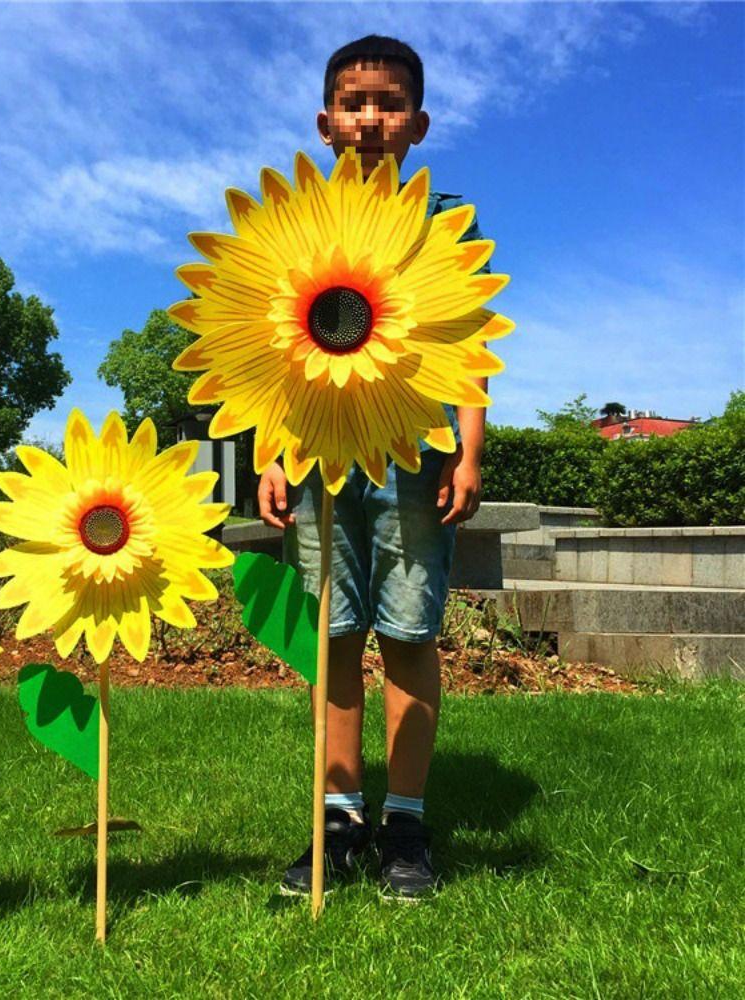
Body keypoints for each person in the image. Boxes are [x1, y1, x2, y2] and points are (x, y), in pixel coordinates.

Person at [258, 34, 494, 902]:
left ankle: (405, 823)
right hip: (322, 459)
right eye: (355, 103)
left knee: (407, 634)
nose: (371, 118)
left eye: (389, 103)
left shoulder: (445, 226)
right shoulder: (294, 223)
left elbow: (468, 346)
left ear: (418, 124)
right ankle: (337, 816)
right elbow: (273, 351)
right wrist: (275, 453)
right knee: (333, 634)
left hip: (414, 457)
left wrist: (469, 449)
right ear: (325, 123)